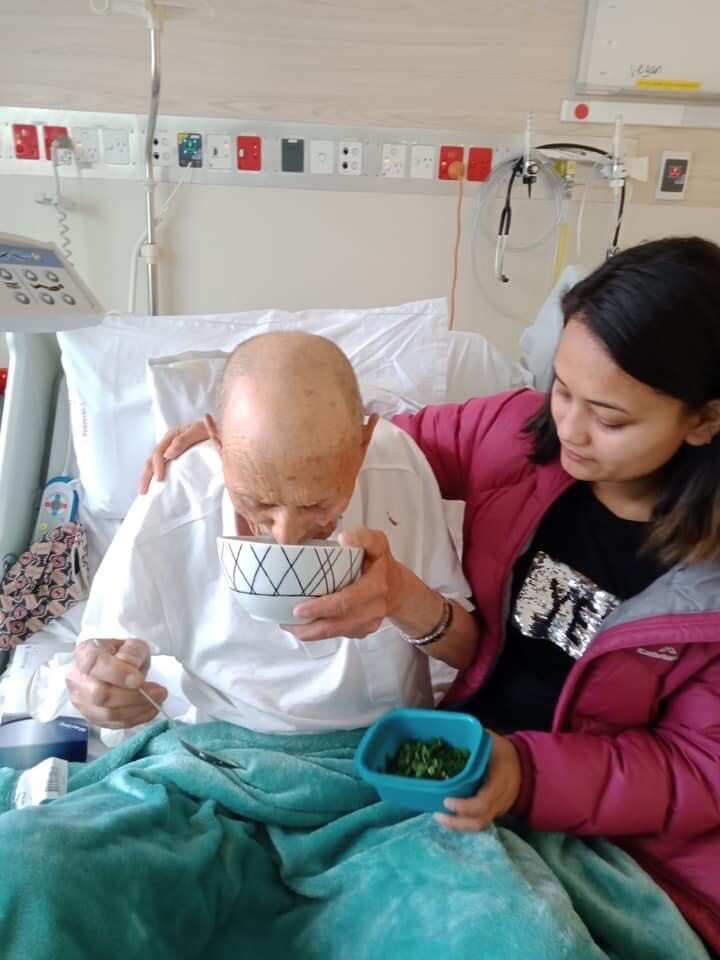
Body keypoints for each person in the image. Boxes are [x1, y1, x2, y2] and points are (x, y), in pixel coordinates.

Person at [148, 237, 720, 953]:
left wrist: (526, 773)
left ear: (703, 419)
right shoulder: (514, 437)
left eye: (609, 418)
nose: (569, 428)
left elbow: (698, 770)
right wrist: (235, 453)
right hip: (450, 764)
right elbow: (361, 448)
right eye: (563, 389)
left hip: (609, 827)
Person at [67, 331, 478, 735]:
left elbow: (467, 652)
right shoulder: (179, 492)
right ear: (218, 443)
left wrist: (402, 597)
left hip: (383, 744)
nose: (287, 537)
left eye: (317, 505)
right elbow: (102, 651)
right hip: (225, 748)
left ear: (363, 445)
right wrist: (101, 689)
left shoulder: (397, 464)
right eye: (259, 503)